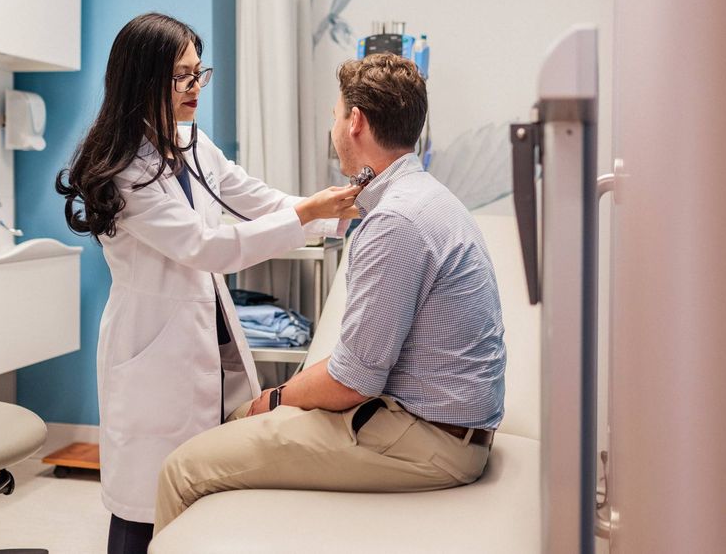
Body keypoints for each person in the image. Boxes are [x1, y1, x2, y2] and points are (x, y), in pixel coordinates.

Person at [153, 52, 508, 534]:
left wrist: (273, 400)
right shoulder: (424, 196)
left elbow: (351, 381)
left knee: (183, 468)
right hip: (435, 425)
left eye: (336, 115)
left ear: (355, 122)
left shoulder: (394, 221)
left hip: (425, 440)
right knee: (238, 423)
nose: (334, 126)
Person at [55, 12, 359, 554]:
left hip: (205, 336)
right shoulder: (123, 170)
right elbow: (207, 246)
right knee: (143, 505)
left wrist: (335, 212)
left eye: (201, 72)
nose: (196, 87)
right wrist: (311, 212)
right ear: (144, 79)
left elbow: (255, 197)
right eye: (182, 76)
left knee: (201, 490)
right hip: (152, 351)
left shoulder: (192, 141)